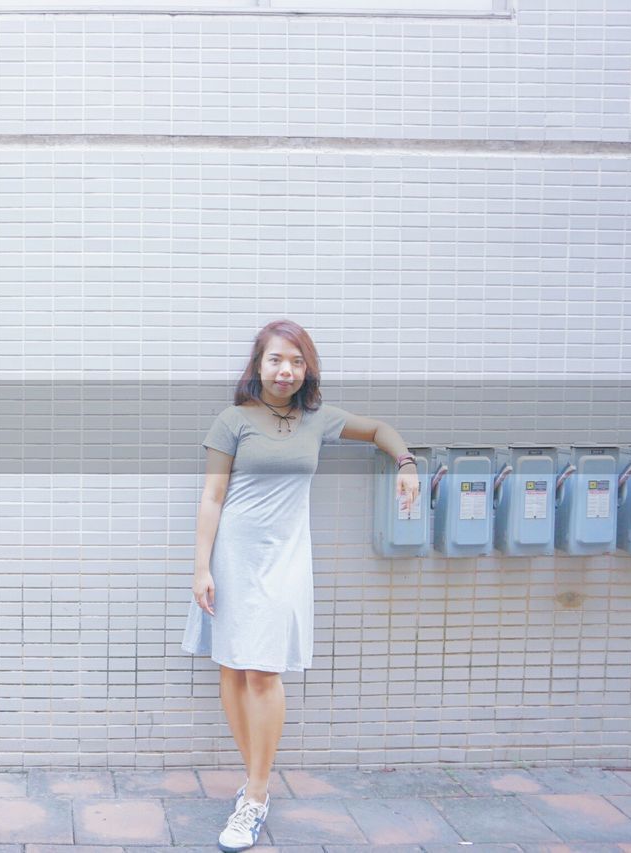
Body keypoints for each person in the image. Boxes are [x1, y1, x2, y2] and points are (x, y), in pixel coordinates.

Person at [180, 319, 420, 852]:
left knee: (265, 672)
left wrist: (405, 462)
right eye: (275, 360)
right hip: (233, 557)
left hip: (285, 561)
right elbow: (212, 498)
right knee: (233, 667)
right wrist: (202, 568)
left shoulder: (319, 420)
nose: (285, 369)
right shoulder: (232, 421)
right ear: (258, 366)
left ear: (306, 368)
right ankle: (254, 783)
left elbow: (379, 429)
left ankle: (256, 797)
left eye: (295, 360)